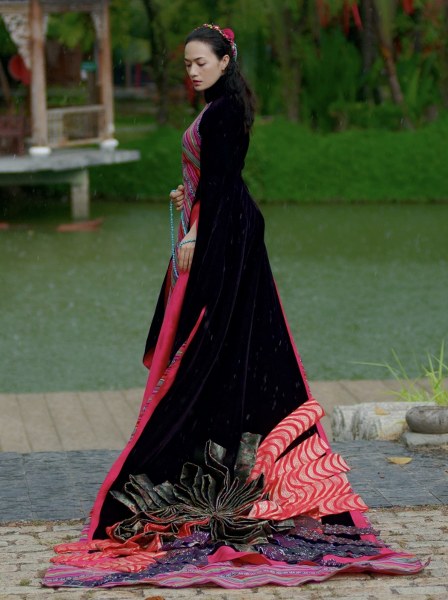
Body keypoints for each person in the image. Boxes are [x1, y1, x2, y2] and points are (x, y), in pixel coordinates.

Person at [43, 24, 426, 589]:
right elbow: (214, 179)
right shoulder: (218, 108)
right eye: (187, 64)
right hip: (226, 226)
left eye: (202, 62)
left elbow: (224, 183)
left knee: (209, 348)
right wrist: (190, 196)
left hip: (226, 236)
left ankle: (220, 474)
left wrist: (199, 232)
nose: (193, 71)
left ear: (225, 61)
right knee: (221, 351)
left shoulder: (223, 113)